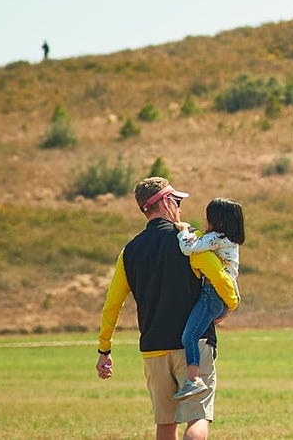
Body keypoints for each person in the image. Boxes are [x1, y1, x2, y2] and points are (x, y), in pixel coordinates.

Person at [95, 178, 240, 440]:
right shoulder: (190, 242)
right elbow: (221, 278)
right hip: (193, 346)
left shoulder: (129, 252)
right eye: (177, 202)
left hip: (153, 349)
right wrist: (231, 305)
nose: (180, 208)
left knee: (165, 425)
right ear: (164, 202)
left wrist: (104, 349)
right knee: (198, 419)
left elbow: (112, 305)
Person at [173, 198, 246, 400]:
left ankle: (194, 378)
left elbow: (189, 248)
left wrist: (183, 230)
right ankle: (195, 376)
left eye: (208, 217)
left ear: (217, 221)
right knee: (195, 333)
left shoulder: (216, 238)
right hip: (222, 296)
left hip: (212, 293)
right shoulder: (230, 241)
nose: (205, 221)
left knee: (189, 336)